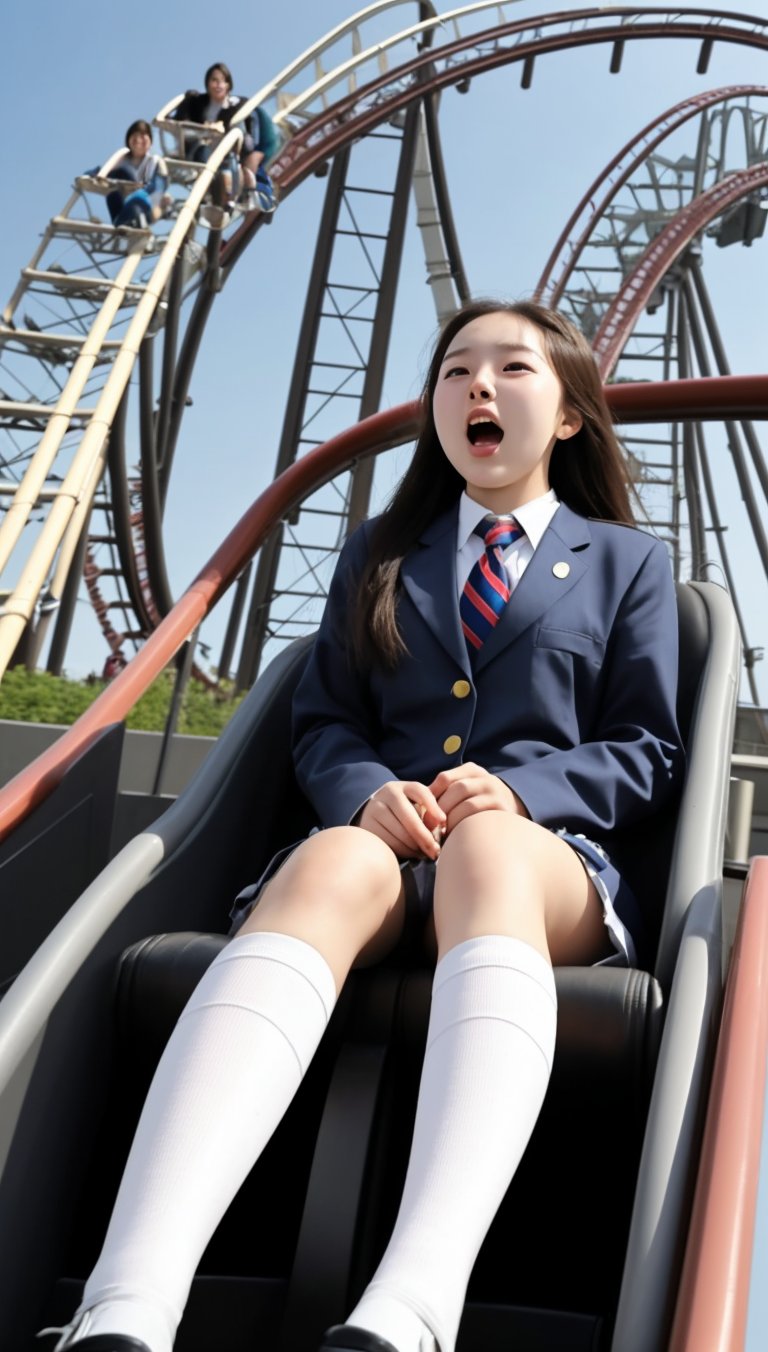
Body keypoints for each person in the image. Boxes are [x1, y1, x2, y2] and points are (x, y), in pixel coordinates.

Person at [44, 299, 683, 1352]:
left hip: (540, 861)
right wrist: (362, 794)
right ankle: (127, 1300)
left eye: (511, 368)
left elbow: (646, 746)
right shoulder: (381, 554)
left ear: (569, 414)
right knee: (330, 855)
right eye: (453, 371)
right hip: (392, 845)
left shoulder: (627, 564)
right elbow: (328, 721)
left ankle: (416, 1300)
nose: (476, 386)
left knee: (486, 847)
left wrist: (525, 795)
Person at [170, 62, 274, 213]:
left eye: (222, 81)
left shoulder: (238, 105)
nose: (218, 85)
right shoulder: (197, 102)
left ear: (228, 85)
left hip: (229, 152)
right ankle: (210, 196)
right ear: (207, 83)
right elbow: (180, 122)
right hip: (203, 151)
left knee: (246, 165)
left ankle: (253, 195)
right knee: (203, 153)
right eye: (214, 80)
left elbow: (247, 135)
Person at [97, 120, 172, 229]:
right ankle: (122, 222)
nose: (138, 139)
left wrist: (160, 200)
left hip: (143, 202)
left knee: (137, 201)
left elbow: (160, 184)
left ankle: (133, 222)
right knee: (114, 188)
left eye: (143, 135)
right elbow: (102, 171)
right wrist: (97, 177)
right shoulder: (122, 161)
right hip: (124, 204)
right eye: (135, 135)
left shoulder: (154, 161)